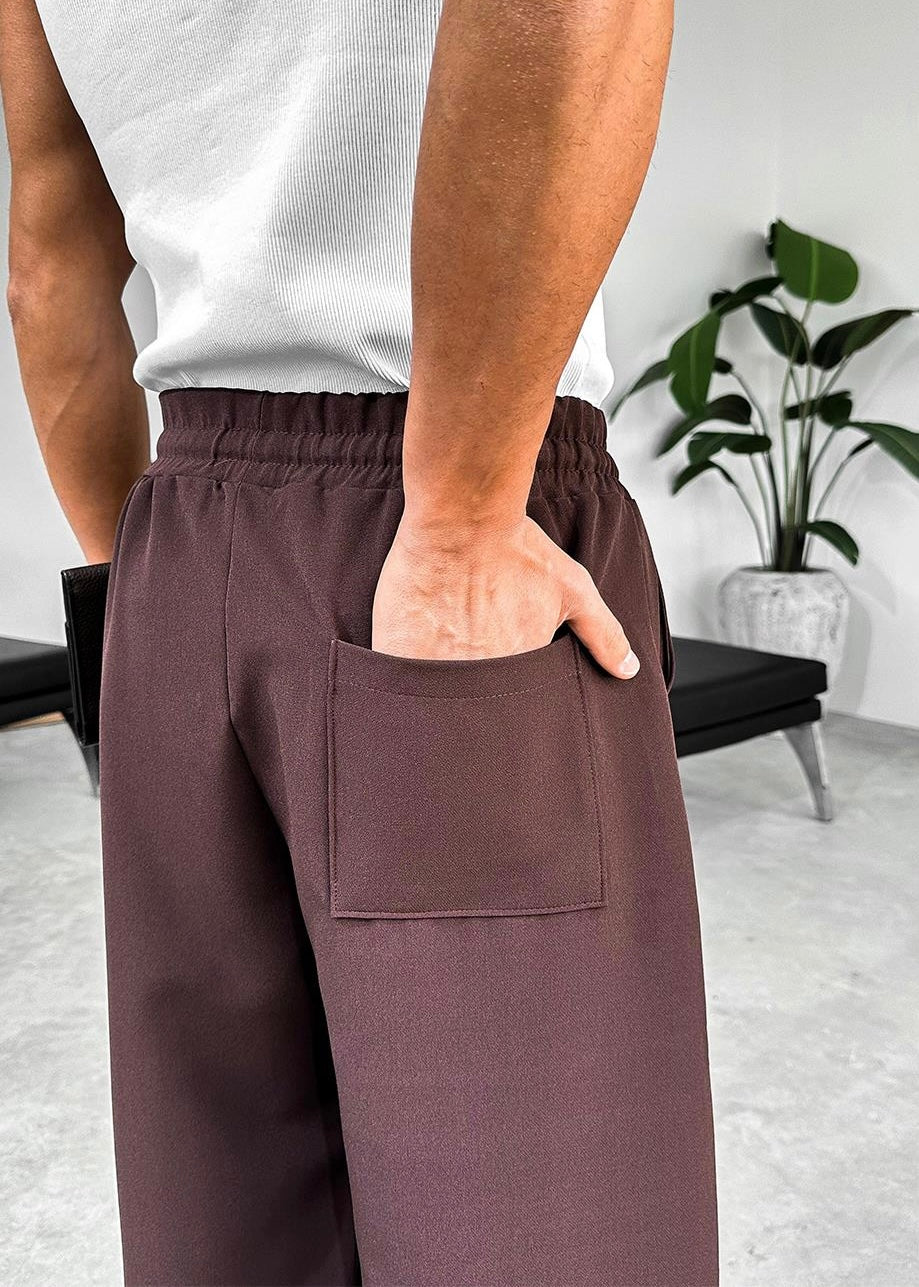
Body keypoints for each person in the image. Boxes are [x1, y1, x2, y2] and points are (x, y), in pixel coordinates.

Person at [0, 0, 718, 1283]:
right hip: (449, 492)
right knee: (536, 1226)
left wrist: (147, 590)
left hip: (179, 534)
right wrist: (462, 520)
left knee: (225, 1219)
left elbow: (49, 260)